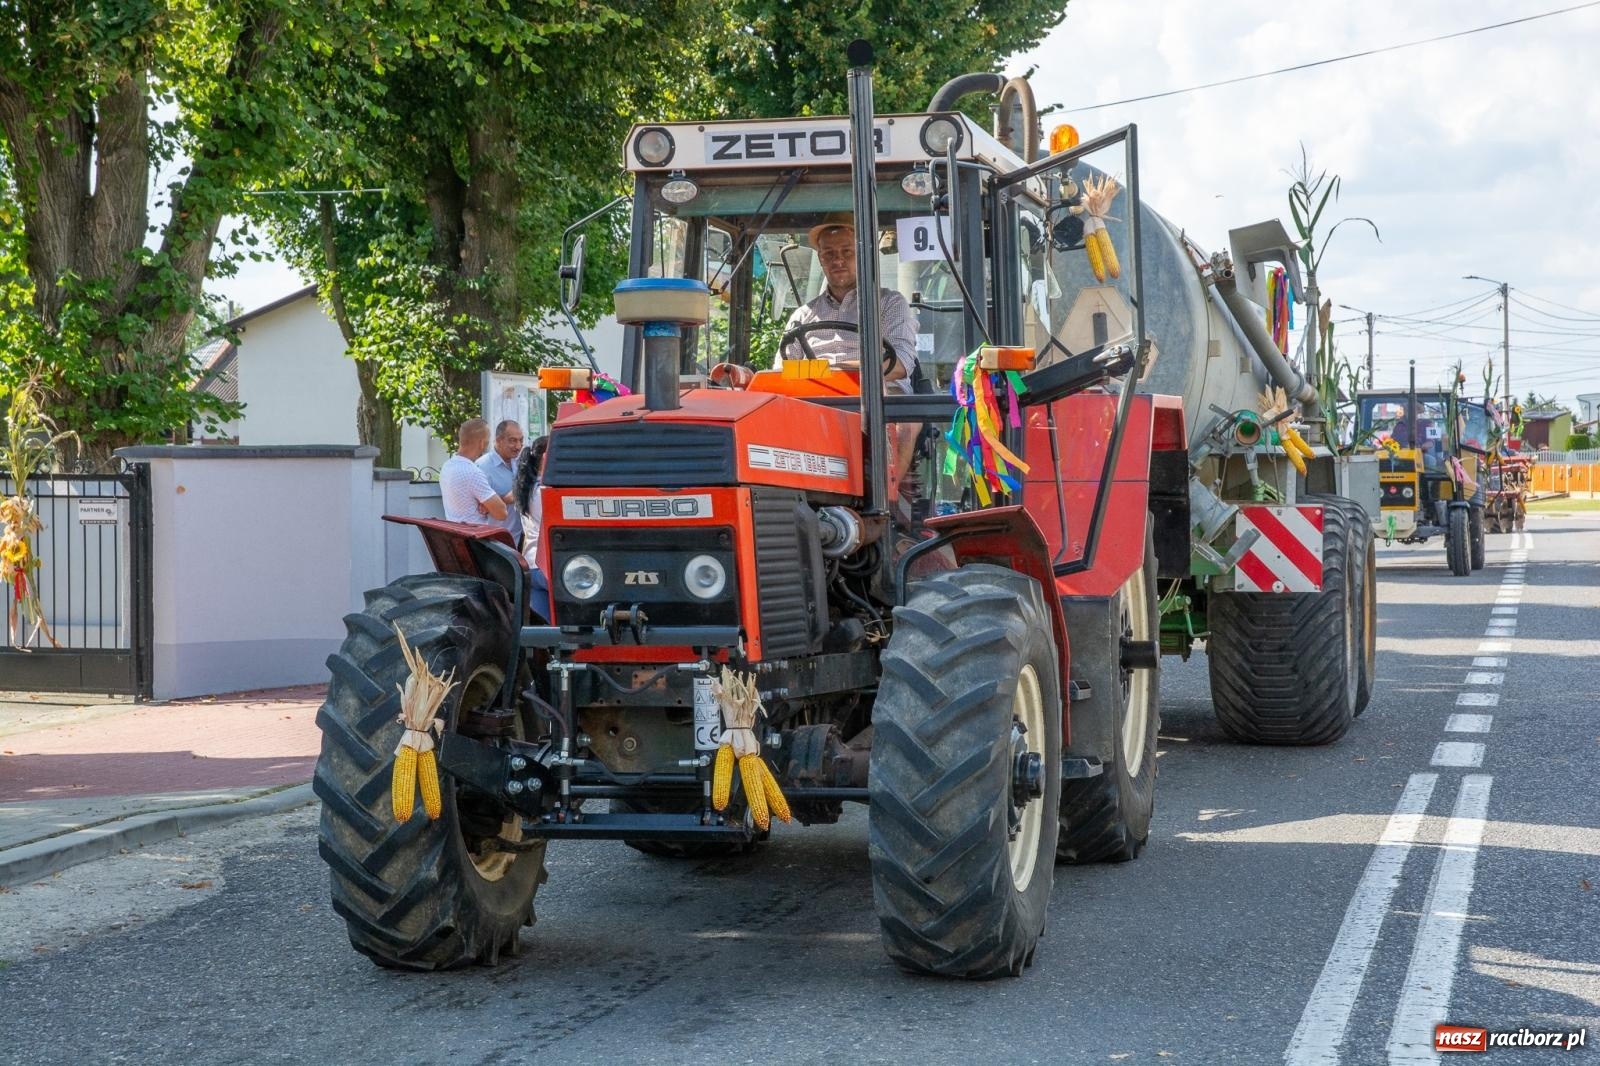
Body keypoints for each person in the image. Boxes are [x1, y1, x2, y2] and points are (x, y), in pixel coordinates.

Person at [779, 214, 918, 393]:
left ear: (862, 255)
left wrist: (827, 372)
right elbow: (782, 371)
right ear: (821, 259)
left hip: (878, 398)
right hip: (816, 402)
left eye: (847, 251)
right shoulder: (802, 316)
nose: (838, 260)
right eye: (829, 253)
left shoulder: (889, 303)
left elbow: (901, 363)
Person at [440, 418, 509, 527]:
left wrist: (484, 503)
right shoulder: (473, 472)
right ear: (482, 443)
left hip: (455, 534)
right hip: (475, 539)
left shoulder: (447, 466)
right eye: (487, 441)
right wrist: (488, 504)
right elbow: (502, 513)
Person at [514, 435, 552, 619]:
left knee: (544, 630)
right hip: (548, 567)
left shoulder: (526, 489)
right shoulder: (545, 492)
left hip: (530, 566)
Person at [476, 419, 525, 543]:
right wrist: (505, 499)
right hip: (496, 544)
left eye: (521, 440)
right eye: (513, 440)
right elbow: (480, 509)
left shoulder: (520, 464)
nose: (518, 446)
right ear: (498, 440)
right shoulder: (482, 467)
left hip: (520, 539)